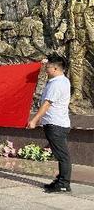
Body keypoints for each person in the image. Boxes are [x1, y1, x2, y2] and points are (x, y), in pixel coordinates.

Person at [27, 54, 72, 193]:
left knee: (62, 155)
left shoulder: (58, 83)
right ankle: (60, 180)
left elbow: (47, 104)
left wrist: (34, 120)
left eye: (48, 66)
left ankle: (64, 183)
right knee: (60, 154)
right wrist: (44, 62)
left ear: (55, 68)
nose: (46, 68)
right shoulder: (58, 80)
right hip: (55, 124)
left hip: (56, 124)